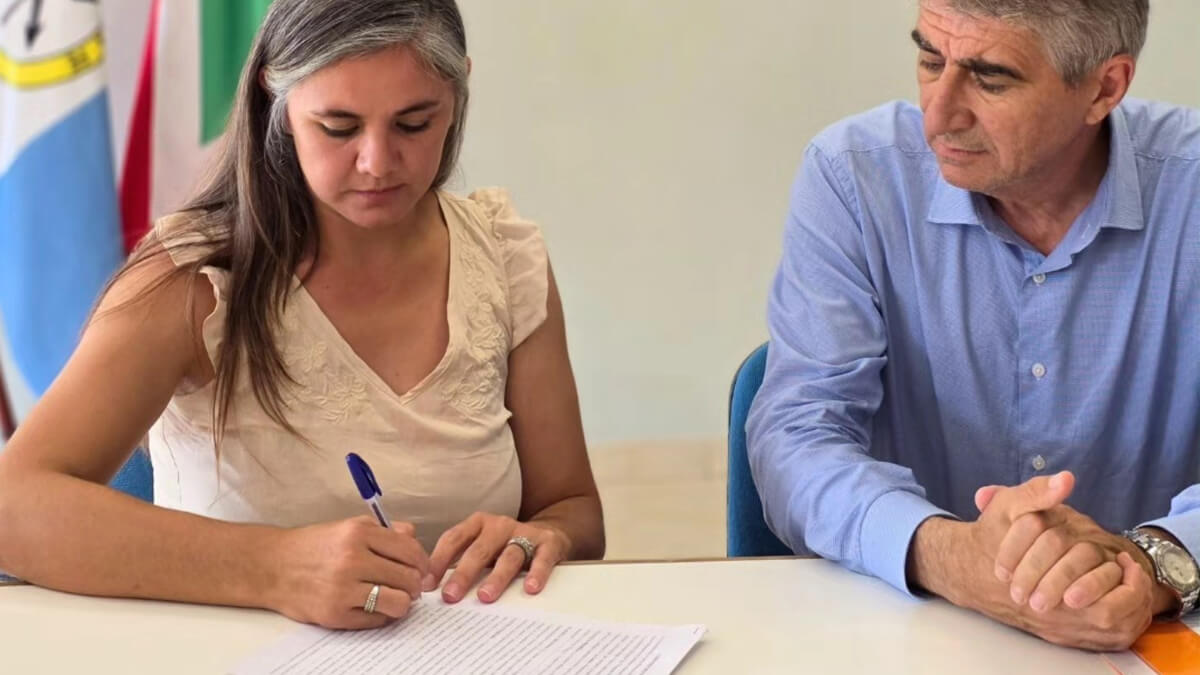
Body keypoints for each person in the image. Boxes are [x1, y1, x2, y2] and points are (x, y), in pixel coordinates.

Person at [0, 0, 604, 630]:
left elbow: (572, 509)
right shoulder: (191, 280)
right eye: (339, 127)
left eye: (414, 123)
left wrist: (540, 540)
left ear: (458, 93)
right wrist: (277, 568)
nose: (377, 161)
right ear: (277, 99)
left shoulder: (504, 256)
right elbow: (12, 507)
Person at [748, 0, 1200, 651]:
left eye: (990, 79)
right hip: (902, 637)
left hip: (1149, 642)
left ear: (1105, 87)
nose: (939, 113)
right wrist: (954, 556)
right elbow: (795, 434)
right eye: (930, 59)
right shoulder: (854, 178)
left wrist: (1148, 568)